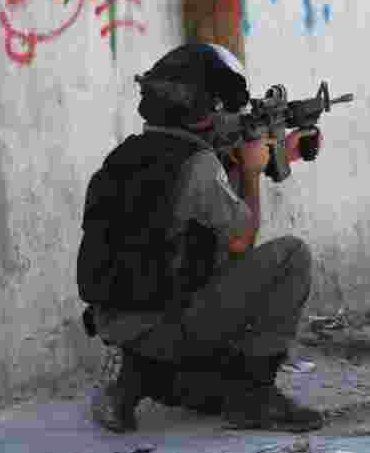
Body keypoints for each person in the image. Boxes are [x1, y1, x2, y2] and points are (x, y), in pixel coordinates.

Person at [76, 42, 326, 434]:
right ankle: (255, 395)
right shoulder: (199, 165)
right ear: (207, 110)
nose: (233, 115)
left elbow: (185, 211)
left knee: (204, 388)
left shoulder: (127, 156)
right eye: (226, 107)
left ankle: (134, 379)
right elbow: (242, 237)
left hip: (115, 323)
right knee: (291, 257)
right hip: (168, 326)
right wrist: (253, 172)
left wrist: (283, 155)